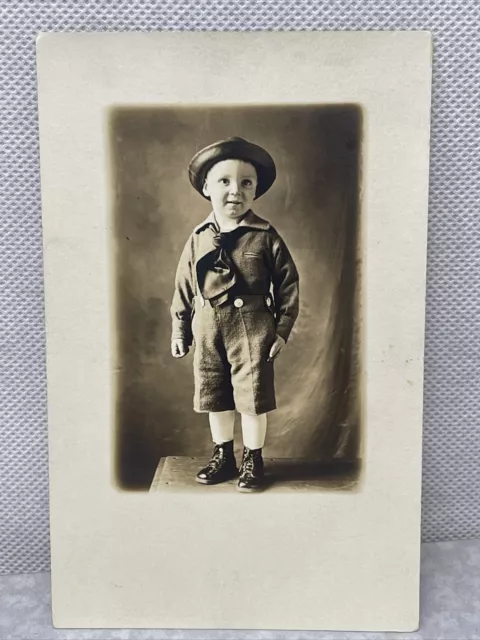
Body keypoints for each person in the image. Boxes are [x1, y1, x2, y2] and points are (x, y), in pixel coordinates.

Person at [170, 136, 299, 492]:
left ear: (255, 190)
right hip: (208, 326)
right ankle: (223, 455)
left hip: (253, 328)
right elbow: (184, 284)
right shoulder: (198, 237)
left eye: (246, 183)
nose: (234, 191)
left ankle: (253, 459)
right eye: (224, 181)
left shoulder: (265, 236)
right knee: (215, 394)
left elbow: (288, 285)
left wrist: (282, 330)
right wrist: (180, 329)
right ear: (207, 187)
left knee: (251, 396)